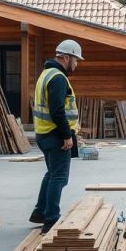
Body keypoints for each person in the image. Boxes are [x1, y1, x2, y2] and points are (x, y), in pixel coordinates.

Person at [31, 40, 83, 234]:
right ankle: (51, 219)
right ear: (66, 57)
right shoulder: (58, 78)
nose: (76, 64)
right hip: (55, 135)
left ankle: (40, 211)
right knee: (59, 177)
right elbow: (57, 110)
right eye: (75, 60)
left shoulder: (45, 74)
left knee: (51, 174)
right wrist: (66, 136)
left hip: (43, 134)